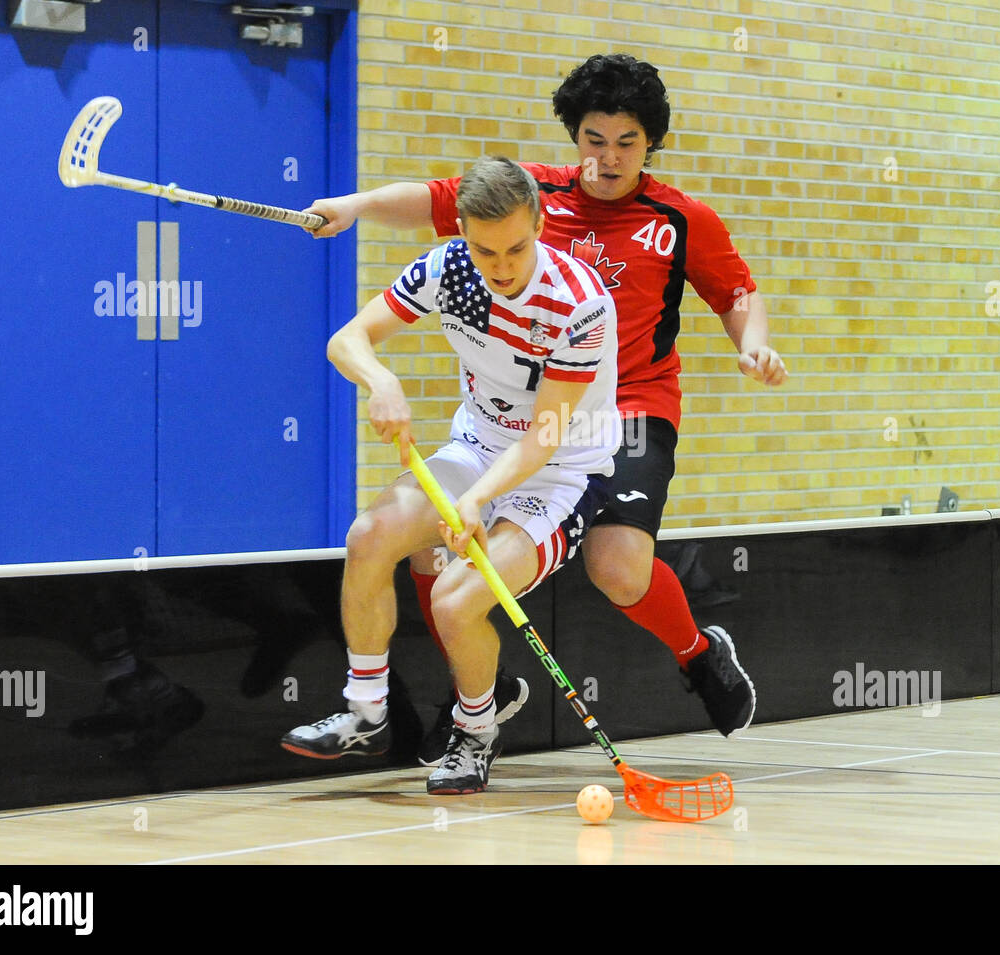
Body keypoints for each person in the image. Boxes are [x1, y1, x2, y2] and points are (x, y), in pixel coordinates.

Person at [305, 53, 787, 760]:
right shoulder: (533, 196)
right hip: (519, 414)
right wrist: (353, 207)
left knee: (617, 564)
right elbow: (434, 202)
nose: (609, 157)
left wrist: (753, 345)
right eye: (595, 139)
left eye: (627, 142)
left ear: (650, 143)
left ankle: (694, 650)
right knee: (430, 557)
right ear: (575, 137)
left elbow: (736, 292)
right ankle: (482, 694)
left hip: (626, 406)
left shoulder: (679, 218)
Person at [282, 157, 619, 794]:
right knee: (369, 537)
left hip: (561, 472)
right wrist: (381, 380)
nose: (503, 266)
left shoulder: (580, 306)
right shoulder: (448, 270)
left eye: (517, 247)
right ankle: (366, 709)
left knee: (456, 599)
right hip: (476, 445)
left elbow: (544, 439)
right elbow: (346, 340)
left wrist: (479, 502)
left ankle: (476, 730)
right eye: (485, 249)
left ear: (540, 223)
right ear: (461, 231)